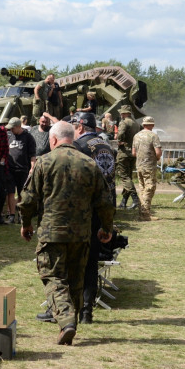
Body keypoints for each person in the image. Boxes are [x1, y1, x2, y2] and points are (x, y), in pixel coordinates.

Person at [18, 121, 113, 345]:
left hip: (52, 232)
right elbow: (105, 202)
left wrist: (26, 223)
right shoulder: (90, 163)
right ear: (72, 137)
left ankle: (67, 321)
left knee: (53, 277)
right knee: (76, 279)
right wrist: (107, 228)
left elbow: (27, 199)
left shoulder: (44, 162)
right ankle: (71, 325)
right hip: (82, 233)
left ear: (53, 140)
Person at [71, 112, 116, 324]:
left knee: (72, 261)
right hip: (103, 209)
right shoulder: (106, 145)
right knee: (91, 262)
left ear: (80, 126)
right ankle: (87, 312)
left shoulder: (78, 146)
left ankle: (70, 309)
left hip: (82, 211)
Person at [6, 116, 37, 224]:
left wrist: (32, 168)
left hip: (23, 169)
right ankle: (11, 215)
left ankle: (21, 215)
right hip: (10, 169)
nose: (11, 130)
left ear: (19, 127)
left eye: (13, 128)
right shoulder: (9, 135)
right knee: (10, 192)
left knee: (21, 193)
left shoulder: (28, 137)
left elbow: (32, 155)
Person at [132, 116, 163, 221]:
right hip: (149, 166)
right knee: (149, 188)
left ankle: (142, 213)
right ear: (152, 125)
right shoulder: (153, 136)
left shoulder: (136, 136)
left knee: (142, 188)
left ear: (143, 124)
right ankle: (145, 214)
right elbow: (158, 152)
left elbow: (133, 153)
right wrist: (156, 158)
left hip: (139, 166)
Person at [115, 105, 141, 209]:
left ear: (125, 113)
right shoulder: (136, 123)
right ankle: (124, 201)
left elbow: (120, 134)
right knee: (128, 177)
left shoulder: (124, 122)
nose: (121, 114)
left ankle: (136, 200)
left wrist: (119, 140)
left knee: (124, 177)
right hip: (133, 152)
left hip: (124, 152)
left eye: (122, 112)